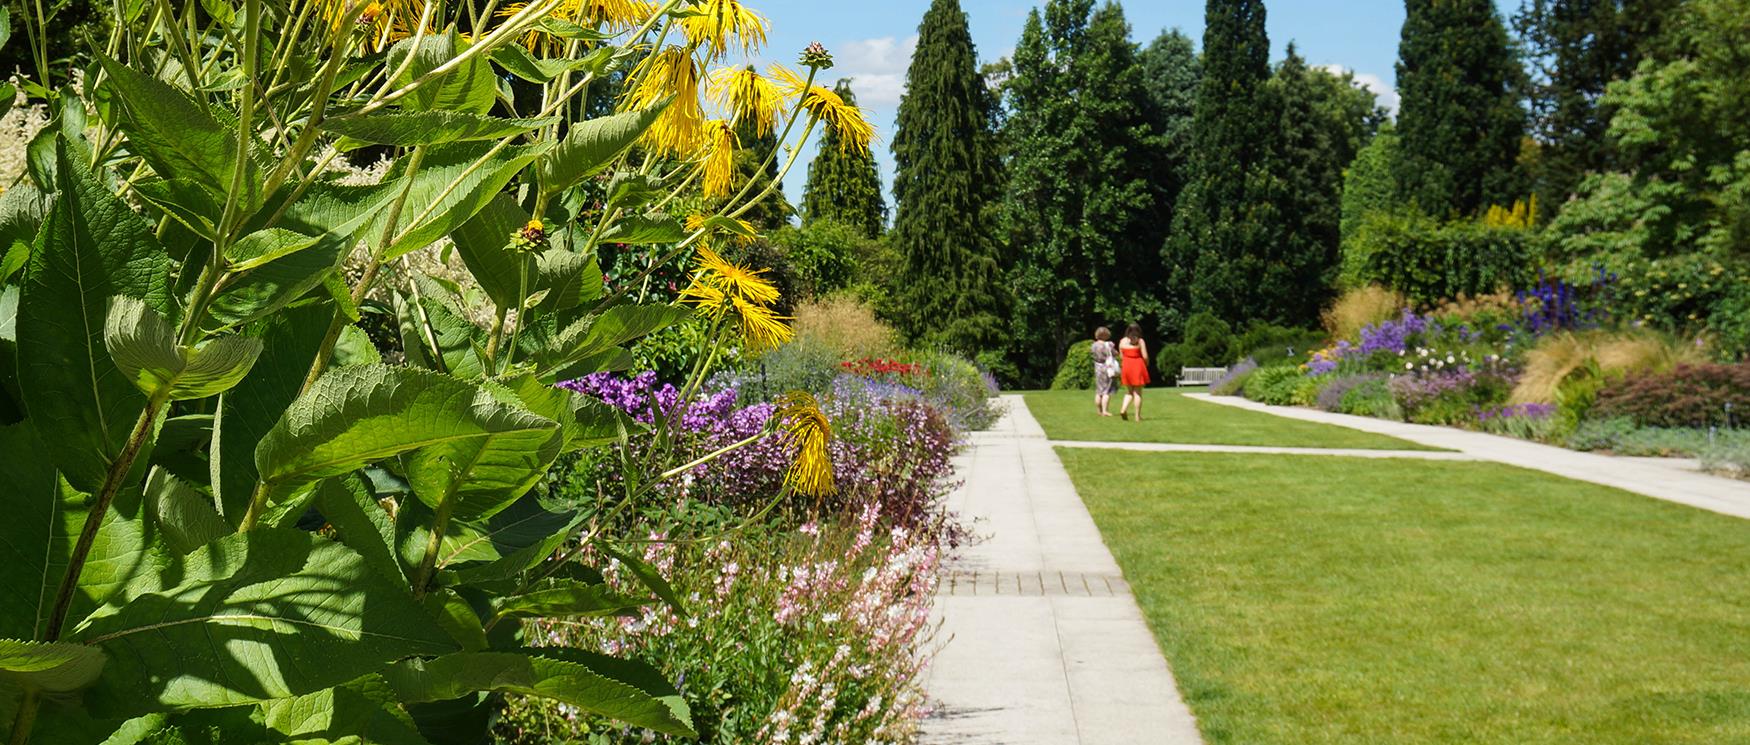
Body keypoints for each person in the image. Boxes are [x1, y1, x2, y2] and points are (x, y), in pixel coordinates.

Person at [1118, 323, 1150, 421]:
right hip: (1137, 366)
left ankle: (1123, 409)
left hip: (1126, 366)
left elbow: (1121, 356)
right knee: (1138, 393)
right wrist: (1146, 363)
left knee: (1129, 392)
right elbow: (1144, 356)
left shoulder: (1122, 341)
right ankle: (1137, 416)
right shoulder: (1140, 341)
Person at [1090, 327, 1117, 416]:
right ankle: (1105, 410)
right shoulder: (1108, 345)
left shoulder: (1093, 345)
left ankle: (1099, 410)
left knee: (1099, 391)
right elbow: (1115, 353)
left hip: (1097, 367)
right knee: (1107, 390)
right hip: (1107, 367)